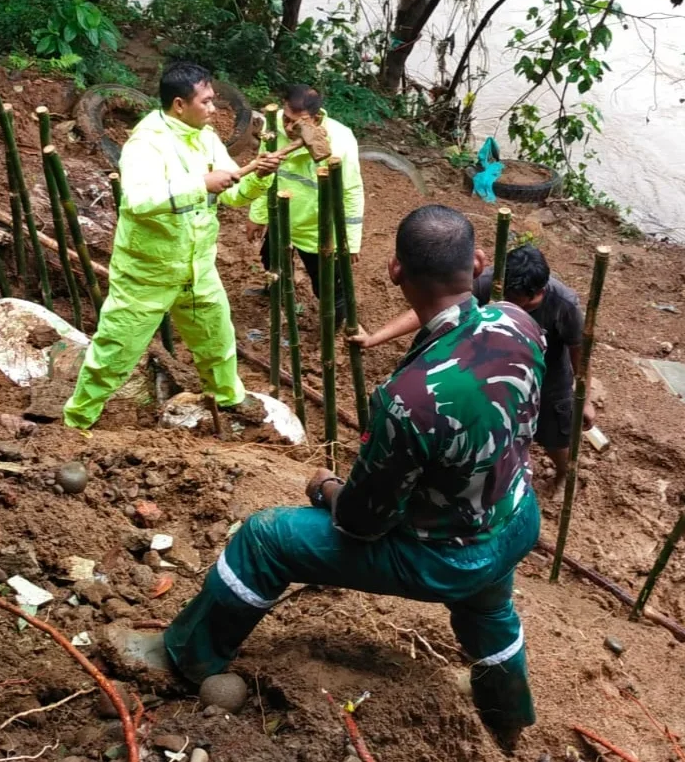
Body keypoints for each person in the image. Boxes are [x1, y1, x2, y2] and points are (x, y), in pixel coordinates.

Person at [162, 205, 546, 752]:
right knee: (490, 610)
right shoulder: (521, 322)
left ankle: (183, 659)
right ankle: (508, 714)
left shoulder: (407, 399)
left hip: (443, 556)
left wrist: (325, 488)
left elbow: (364, 522)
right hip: (511, 520)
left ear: (395, 271)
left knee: (265, 538)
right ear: (479, 262)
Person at [62, 62, 282, 429]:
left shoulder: (206, 137)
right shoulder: (146, 143)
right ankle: (77, 420)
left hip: (197, 267)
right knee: (116, 350)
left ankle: (228, 400)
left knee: (217, 338)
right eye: (207, 102)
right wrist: (200, 184)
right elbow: (138, 200)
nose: (214, 110)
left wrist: (258, 177)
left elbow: (233, 193)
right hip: (148, 271)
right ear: (179, 104)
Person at [352, 244, 594, 497]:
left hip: (546, 370)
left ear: (539, 292)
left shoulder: (563, 304)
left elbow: (580, 353)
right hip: (490, 360)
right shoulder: (488, 282)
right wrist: (375, 338)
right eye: (508, 298)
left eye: (521, 303)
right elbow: (435, 313)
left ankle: (565, 473)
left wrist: (585, 398)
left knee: (555, 429)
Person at [246, 84, 363, 323]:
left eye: (298, 123)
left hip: (317, 227)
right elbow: (263, 175)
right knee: (272, 264)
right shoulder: (273, 126)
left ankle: (336, 322)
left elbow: (351, 191)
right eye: (286, 119)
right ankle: (274, 294)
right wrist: (257, 215)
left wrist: (350, 241)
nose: (289, 128)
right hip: (281, 218)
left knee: (327, 285)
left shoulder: (340, 140)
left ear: (317, 118)